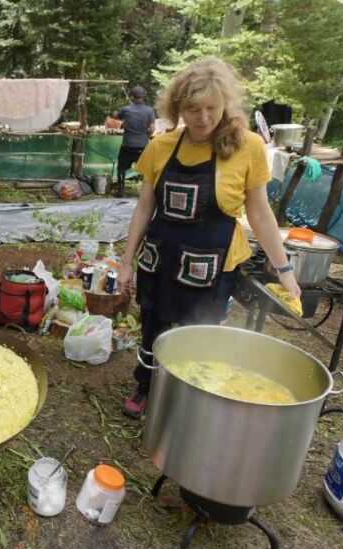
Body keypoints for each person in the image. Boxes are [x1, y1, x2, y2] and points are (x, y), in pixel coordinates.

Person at [116, 58, 301, 418]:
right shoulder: (161, 146)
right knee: (153, 323)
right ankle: (146, 384)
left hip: (212, 264)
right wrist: (126, 262)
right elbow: (143, 209)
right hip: (161, 255)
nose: (202, 118)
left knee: (200, 335)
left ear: (225, 105)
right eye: (193, 110)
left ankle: (188, 398)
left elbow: (260, 214)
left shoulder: (247, 146)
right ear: (178, 108)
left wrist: (284, 270)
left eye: (211, 109)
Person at [114, 85, 156, 196]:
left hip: (128, 145)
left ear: (131, 96)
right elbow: (152, 130)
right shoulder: (150, 110)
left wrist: (116, 114)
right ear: (143, 96)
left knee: (121, 168)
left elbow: (117, 117)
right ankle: (145, 192)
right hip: (142, 146)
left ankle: (120, 191)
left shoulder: (126, 109)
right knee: (146, 170)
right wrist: (144, 135)